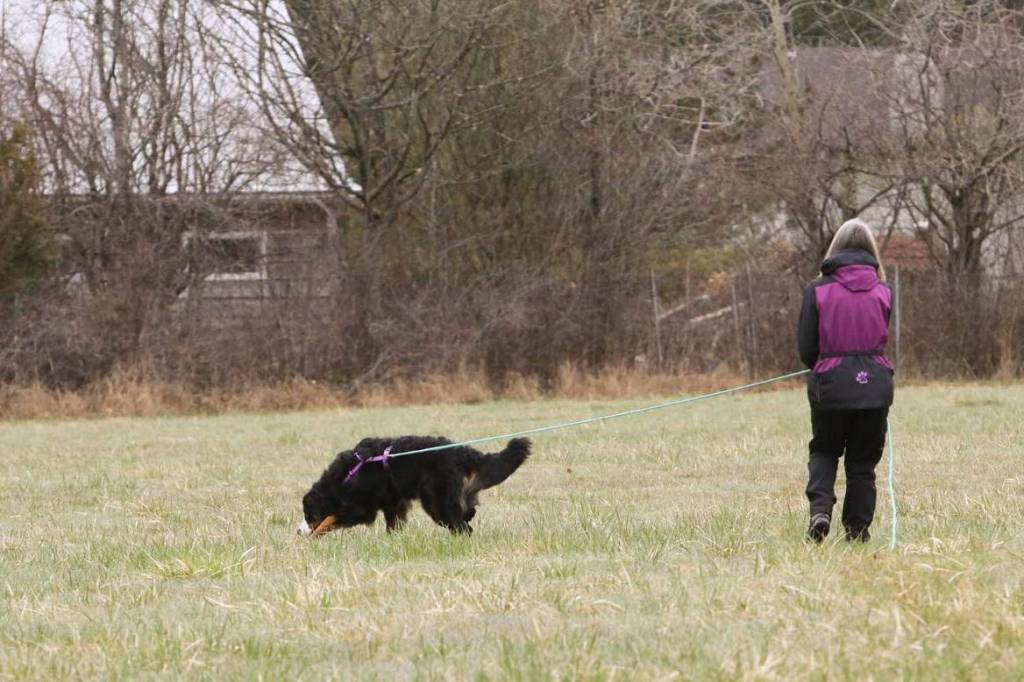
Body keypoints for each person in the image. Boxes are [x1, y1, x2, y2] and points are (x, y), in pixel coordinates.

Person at [798, 218, 894, 543]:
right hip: (875, 388)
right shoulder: (885, 291)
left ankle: (820, 511)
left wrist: (826, 367)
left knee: (825, 450)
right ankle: (856, 531)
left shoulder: (817, 290)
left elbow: (806, 349)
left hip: (830, 387)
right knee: (862, 462)